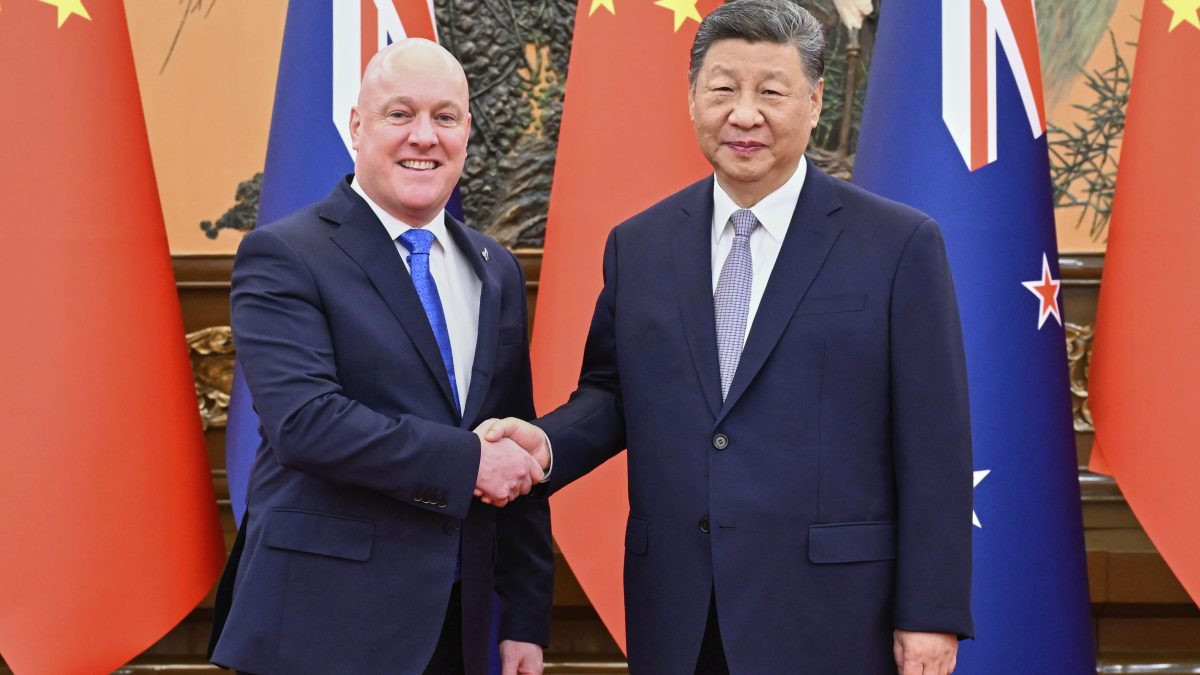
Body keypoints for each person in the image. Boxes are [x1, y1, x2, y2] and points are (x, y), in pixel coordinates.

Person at [482, 1, 973, 672]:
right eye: (723, 89)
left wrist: (931, 613)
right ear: (692, 99)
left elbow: (934, 439)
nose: (745, 114)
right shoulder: (641, 245)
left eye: (771, 92)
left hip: (836, 612)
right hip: (683, 609)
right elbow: (613, 394)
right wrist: (544, 442)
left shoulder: (896, 245)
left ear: (815, 101)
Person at [208, 39, 553, 675]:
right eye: (400, 114)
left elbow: (513, 434)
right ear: (357, 126)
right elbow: (306, 424)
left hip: (458, 625)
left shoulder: (494, 268)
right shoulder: (284, 255)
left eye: (445, 117)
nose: (424, 136)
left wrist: (526, 615)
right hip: (322, 624)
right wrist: (471, 461)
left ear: (467, 132)